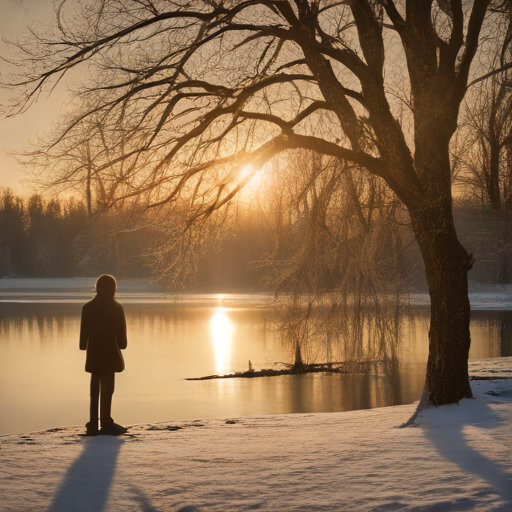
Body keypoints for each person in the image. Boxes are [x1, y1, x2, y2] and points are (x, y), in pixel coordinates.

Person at [79, 274, 128, 436]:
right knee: (107, 390)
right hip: (110, 358)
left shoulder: (87, 308)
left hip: (93, 358)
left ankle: (93, 423)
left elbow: (81, 344)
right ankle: (106, 421)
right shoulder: (117, 308)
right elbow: (122, 344)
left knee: (94, 391)